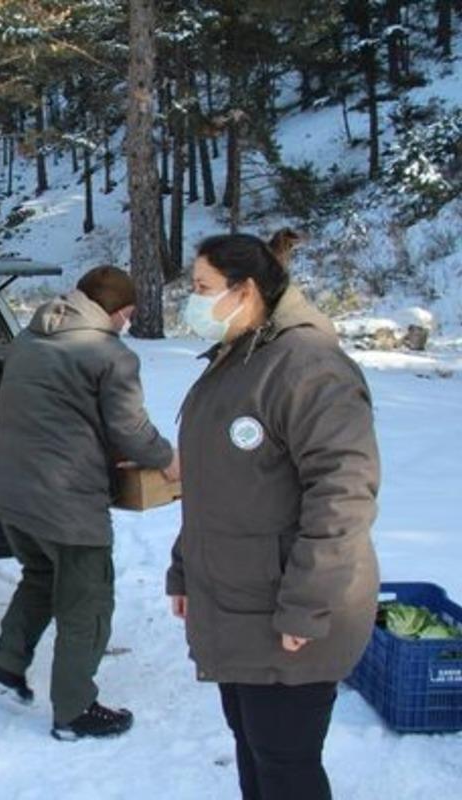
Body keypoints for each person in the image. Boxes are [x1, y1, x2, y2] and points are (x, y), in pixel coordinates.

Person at [166, 231, 380, 800]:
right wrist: (184, 568)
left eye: (203, 288)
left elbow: (344, 494)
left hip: (290, 609)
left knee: (285, 764)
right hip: (239, 604)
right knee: (254, 749)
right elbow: (216, 486)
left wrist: (307, 606)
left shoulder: (308, 368)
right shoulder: (240, 356)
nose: (194, 301)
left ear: (247, 289)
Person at [0, 266, 180, 740]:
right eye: (128, 316)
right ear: (119, 311)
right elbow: (130, 429)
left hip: (12, 489)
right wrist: (169, 460)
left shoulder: (31, 338)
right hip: (65, 500)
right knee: (87, 601)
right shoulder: (109, 354)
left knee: (42, 575)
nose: (128, 325)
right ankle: (74, 711)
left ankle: (6, 665)